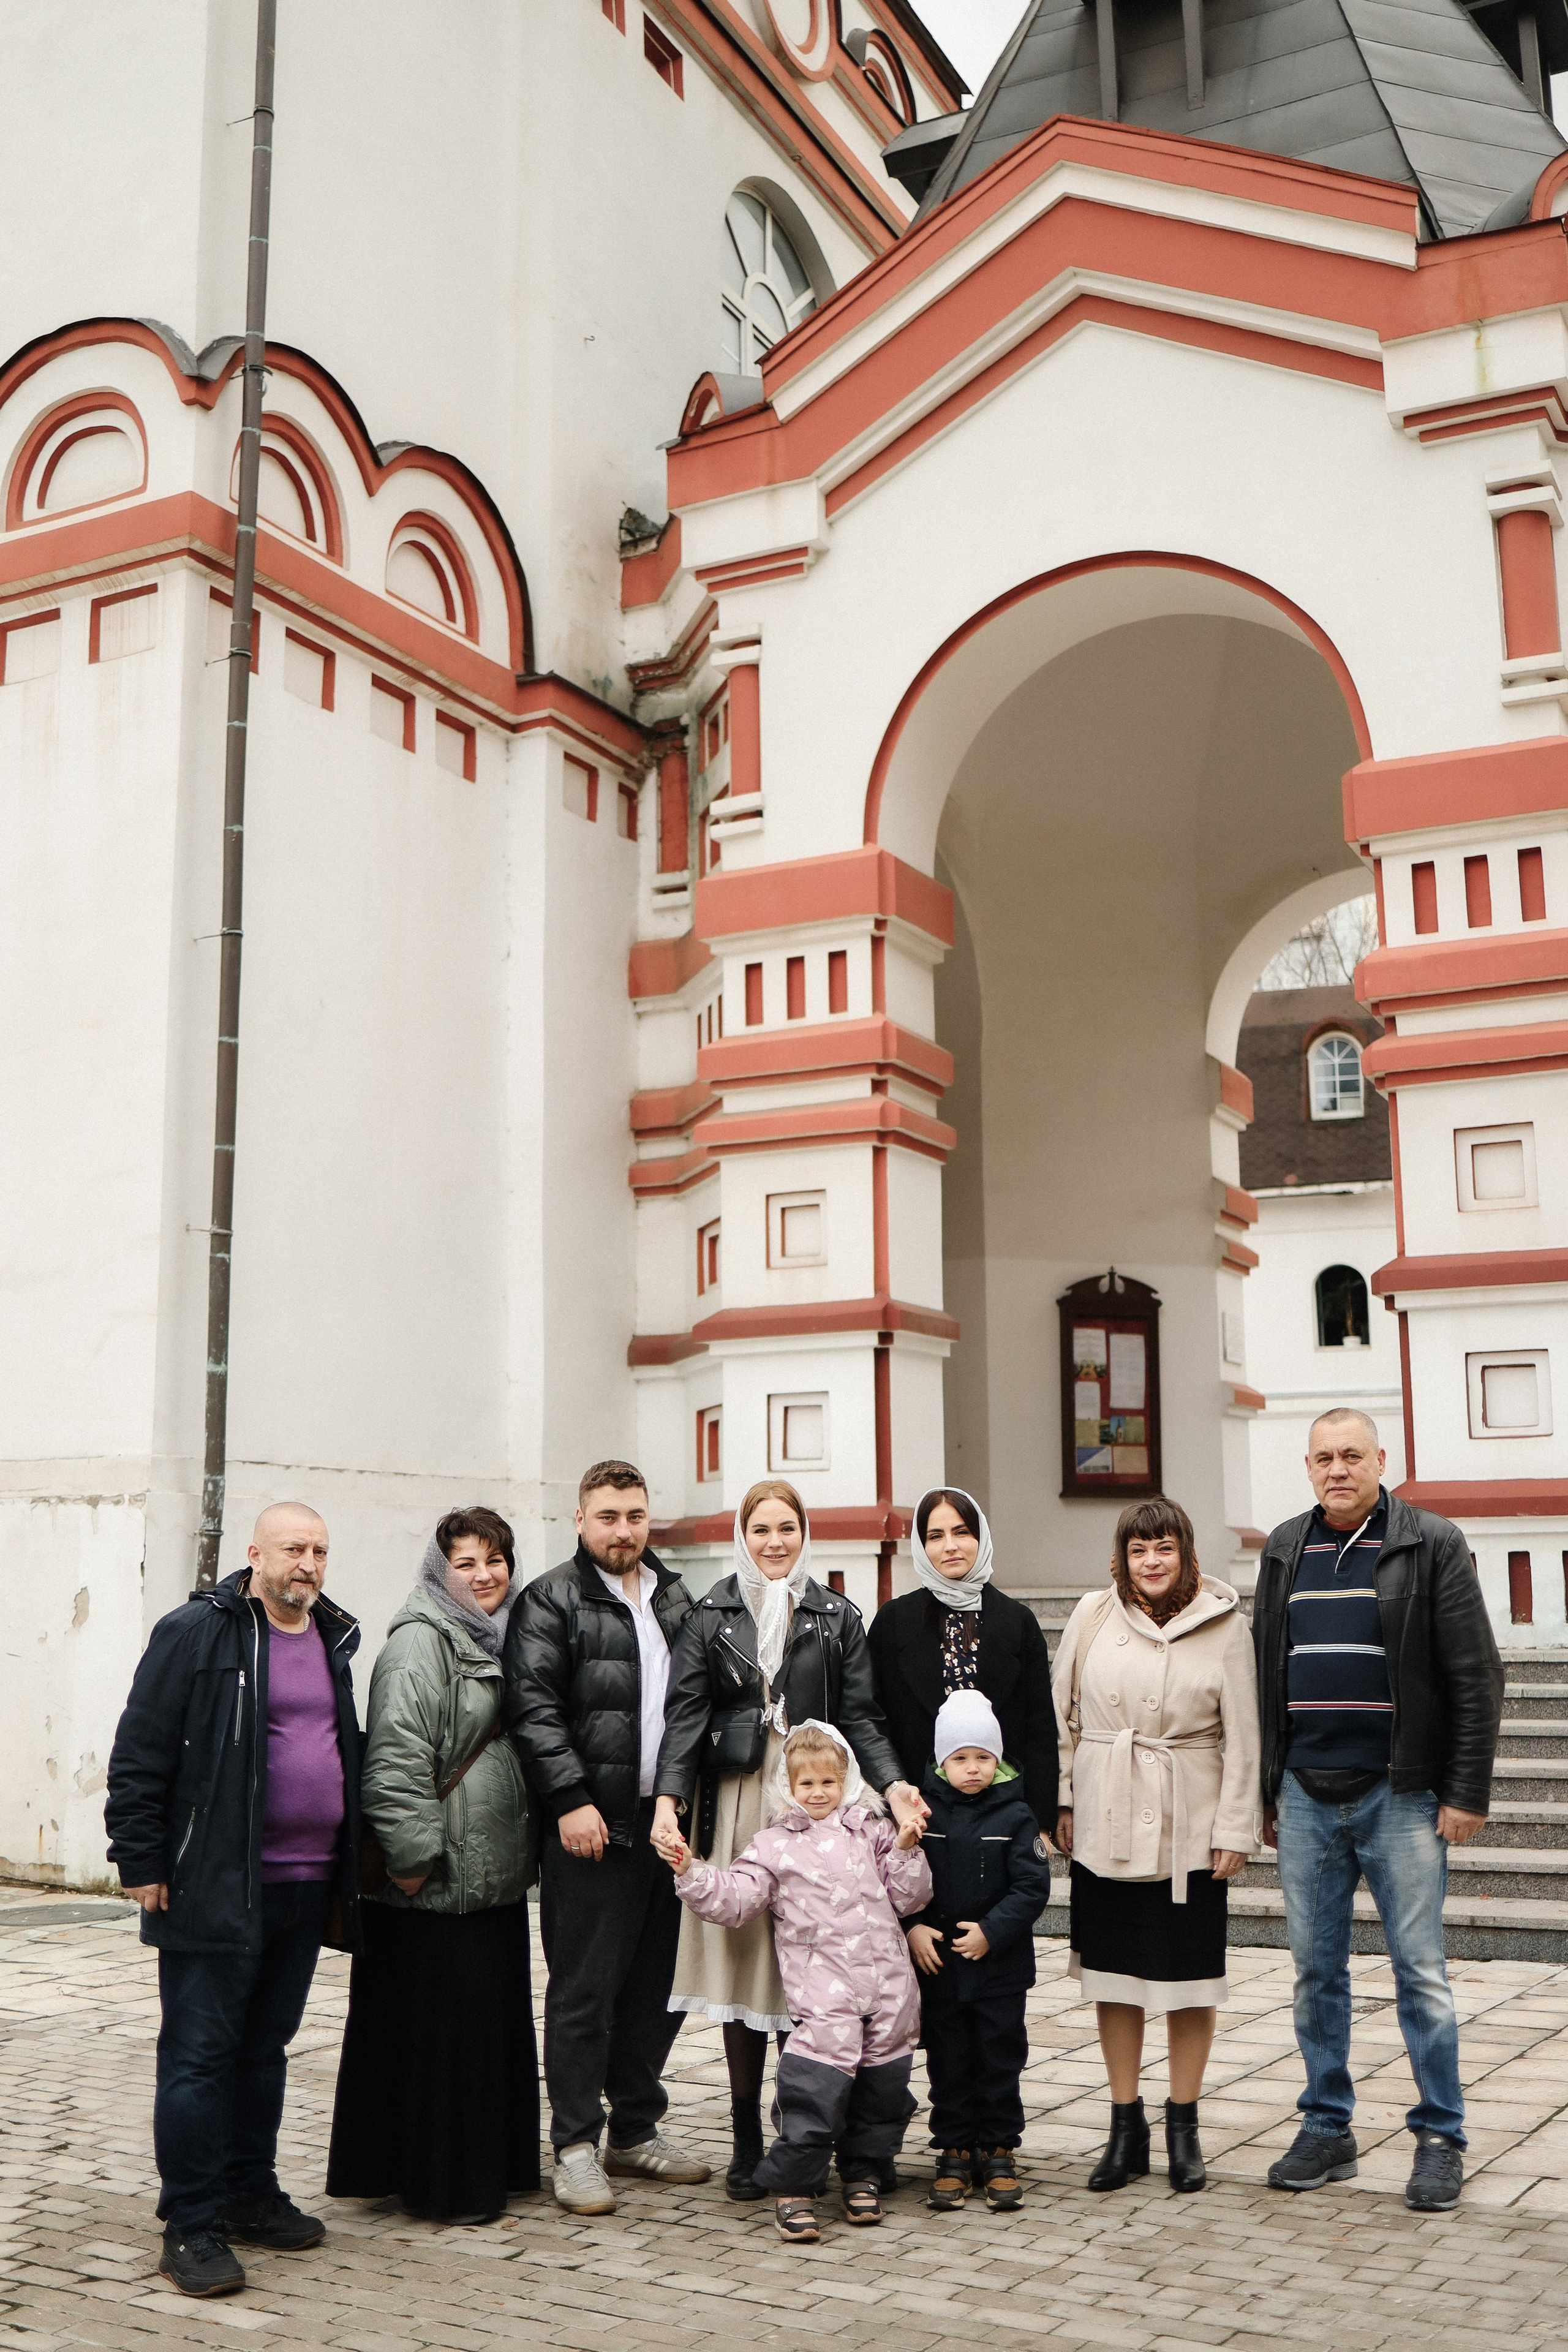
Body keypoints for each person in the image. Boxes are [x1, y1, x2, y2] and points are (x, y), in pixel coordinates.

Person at [105, 1503, 363, 2300]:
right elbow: (141, 1746)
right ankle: (192, 2220)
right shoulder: (197, 1632)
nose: (308, 1564)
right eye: (293, 1548)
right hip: (213, 1882)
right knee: (199, 2058)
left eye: (319, 1550)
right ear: (255, 1553)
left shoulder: (331, 1640)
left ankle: (250, 2192)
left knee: (264, 2051)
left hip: (304, 1882)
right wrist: (141, 1856)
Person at [1253, 1407, 1504, 2212]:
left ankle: (1440, 2134)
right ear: (1308, 1466)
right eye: (1323, 1457)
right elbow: (1267, 1669)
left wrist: (1464, 1790)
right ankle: (1327, 2125)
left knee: (1420, 1974)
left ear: (1380, 1460)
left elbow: (1475, 1674)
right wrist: (1267, 1787)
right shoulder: (1285, 1546)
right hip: (1305, 1792)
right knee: (1313, 1973)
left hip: (1401, 1792)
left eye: (1352, 1455)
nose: (1338, 1469)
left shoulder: (1431, 1542)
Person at [652, 1479, 922, 2198]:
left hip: (817, 1796)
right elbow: (684, 1716)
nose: (775, 1542)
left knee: (810, 1971)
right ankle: (747, 2140)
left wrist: (891, 1785)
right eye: (762, 1528)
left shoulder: (836, 1616)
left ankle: (801, 2132)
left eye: (787, 1528)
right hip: (739, 1795)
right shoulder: (710, 1614)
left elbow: (861, 1717)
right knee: (747, 1967)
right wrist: (668, 1804)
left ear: (805, 1534)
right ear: (743, 1535)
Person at [504, 1458, 710, 2214]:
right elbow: (534, 1708)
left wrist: (679, 1799)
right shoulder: (550, 1601)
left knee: (660, 1989)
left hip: (667, 1827)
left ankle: (634, 2130)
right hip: (590, 1829)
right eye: (608, 1516)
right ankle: (575, 2146)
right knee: (584, 1992)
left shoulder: (677, 1597)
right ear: (581, 1520)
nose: (623, 1530)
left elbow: (691, 1708)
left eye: (634, 1515)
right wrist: (568, 1799)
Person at [327, 1507, 539, 2223]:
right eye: (466, 1563)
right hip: (434, 1884)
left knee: (480, 2037)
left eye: (496, 1560)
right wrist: (414, 1861)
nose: (484, 1576)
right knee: (438, 2039)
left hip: (488, 1881)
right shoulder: (421, 1643)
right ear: (437, 1571)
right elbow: (393, 1763)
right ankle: (441, 2184)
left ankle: (484, 2170)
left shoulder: (503, 1635)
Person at [1052, 1497, 1259, 2195]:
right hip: (1106, 1814)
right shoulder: (1092, 1614)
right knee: (1114, 1979)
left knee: (1188, 1981)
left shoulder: (1225, 1623)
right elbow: (1063, 1716)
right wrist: (1062, 1799)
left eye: (1164, 1548)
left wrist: (1234, 1827)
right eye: (1139, 1550)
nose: (1152, 1562)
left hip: (1188, 1825)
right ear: (1123, 1556)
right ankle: (1124, 2125)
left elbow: (1244, 1738)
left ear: (1185, 1552)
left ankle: (1183, 2126)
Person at [665, 1720, 932, 2243]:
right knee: (814, 2090)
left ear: (847, 1781)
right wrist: (691, 1869)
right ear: (788, 1786)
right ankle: (794, 2188)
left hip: (889, 1989)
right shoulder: (774, 1846)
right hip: (823, 1991)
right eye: (806, 1784)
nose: (817, 1794)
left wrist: (904, 1849)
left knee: (883, 2092)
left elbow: (910, 1898)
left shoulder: (872, 1831)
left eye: (828, 1783)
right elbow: (737, 1900)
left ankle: (862, 2174)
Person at [908, 1690, 1054, 2215]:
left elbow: (1031, 1887)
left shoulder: (1016, 1815)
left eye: (983, 1758)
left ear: (999, 1759)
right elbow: (902, 1877)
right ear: (941, 1762)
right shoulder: (923, 1815)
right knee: (948, 2058)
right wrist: (915, 1927)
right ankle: (952, 2150)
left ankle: (996, 2149)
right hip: (941, 1965)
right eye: (960, 1759)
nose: (973, 1769)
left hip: (999, 1968)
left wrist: (993, 1931)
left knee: (998, 2054)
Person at [868, 1485, 1058, 1835]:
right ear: (922, 1547)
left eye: (961, 1532)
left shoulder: (1017, 1622)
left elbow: (1040, 1728)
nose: (950, 1546)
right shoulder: (894, 1622)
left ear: (980, 1536)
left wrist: (1041, 1819)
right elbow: (874, 1717)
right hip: (919, 1812)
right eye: (935, 1536)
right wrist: (891, 1793)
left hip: (1004, 1811)